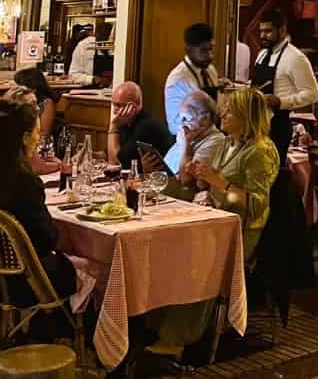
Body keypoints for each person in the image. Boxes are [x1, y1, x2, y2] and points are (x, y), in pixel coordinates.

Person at [153, 87, 279, 356]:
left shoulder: (260, 151)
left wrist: (218, 182)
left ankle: (179, 337)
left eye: (230, 110)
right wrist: (202, 184)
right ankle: (157, 322)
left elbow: (256, 205)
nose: (223, 113)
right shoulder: (229, 143)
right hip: (217, 221)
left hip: (243, 232)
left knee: (194, 258)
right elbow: (215, 188)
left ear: (245, 116)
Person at [0, 98, 76, 305]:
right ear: (25, 137)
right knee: (94, 268)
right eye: (37, 132)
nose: (39, 138)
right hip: (26, 281)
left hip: (6, 279)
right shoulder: (23, 182)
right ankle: (78, 332)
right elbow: (46, 238)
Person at [252, 8, 318, 163]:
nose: (263, 36)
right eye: (261, 31)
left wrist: (281, 102)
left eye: (268, 31)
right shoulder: (262, 54)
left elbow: (313, 93)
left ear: (282, 30)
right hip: (257, 125)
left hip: (278, 126)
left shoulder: (295, 58)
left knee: (273, 176)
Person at [164, 23, 222, 136]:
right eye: (203, 51)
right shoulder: (178, 80)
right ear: (188, 50)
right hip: (188, 143)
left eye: (211, 49)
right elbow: (174, 127)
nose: (210, 56)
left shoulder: (210, 70)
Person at [107, 81, 173, 168]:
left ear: (133, 107)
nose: (114, 111)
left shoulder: (147, 126)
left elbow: (116, 164)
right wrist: (90, 154)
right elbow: (109, 152)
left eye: (118, 105)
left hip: (163, 179)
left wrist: (113, 128)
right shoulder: (126, 121)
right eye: (114, 104)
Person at [158, 90, 225, 175]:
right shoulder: (187, 135)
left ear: (205, 119)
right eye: (181, 117)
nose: (181, 123)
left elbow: (186, 179)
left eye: (186, 118)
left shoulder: (215, 141)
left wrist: (187, 144)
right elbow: (166, 167)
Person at [14, 67, 58, 141]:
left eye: (19, 85)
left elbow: (44, 135)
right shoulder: (18, 100)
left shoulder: (47, 103)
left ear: (33, 87)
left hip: (35, 145)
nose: (16, 88)